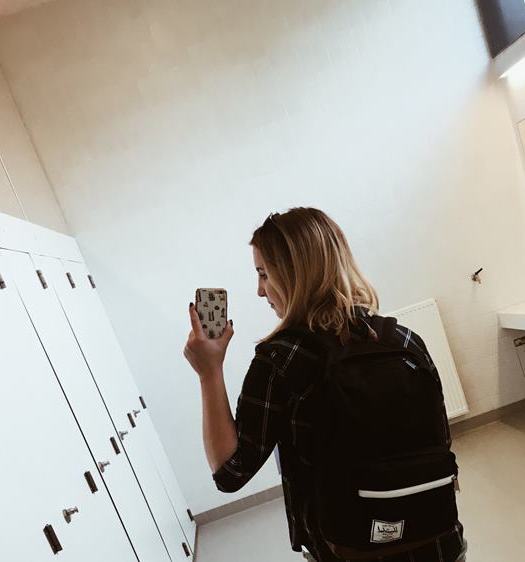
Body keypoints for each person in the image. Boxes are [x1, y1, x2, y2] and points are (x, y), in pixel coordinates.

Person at [184, 207, 466, 561]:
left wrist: (209, 373)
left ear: (293, 274)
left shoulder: (280, 360)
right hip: (440, 541)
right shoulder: (405, 340)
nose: (259, 290)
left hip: (351, 552)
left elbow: (230, 473)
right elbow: (439, 442)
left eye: (264, 274)